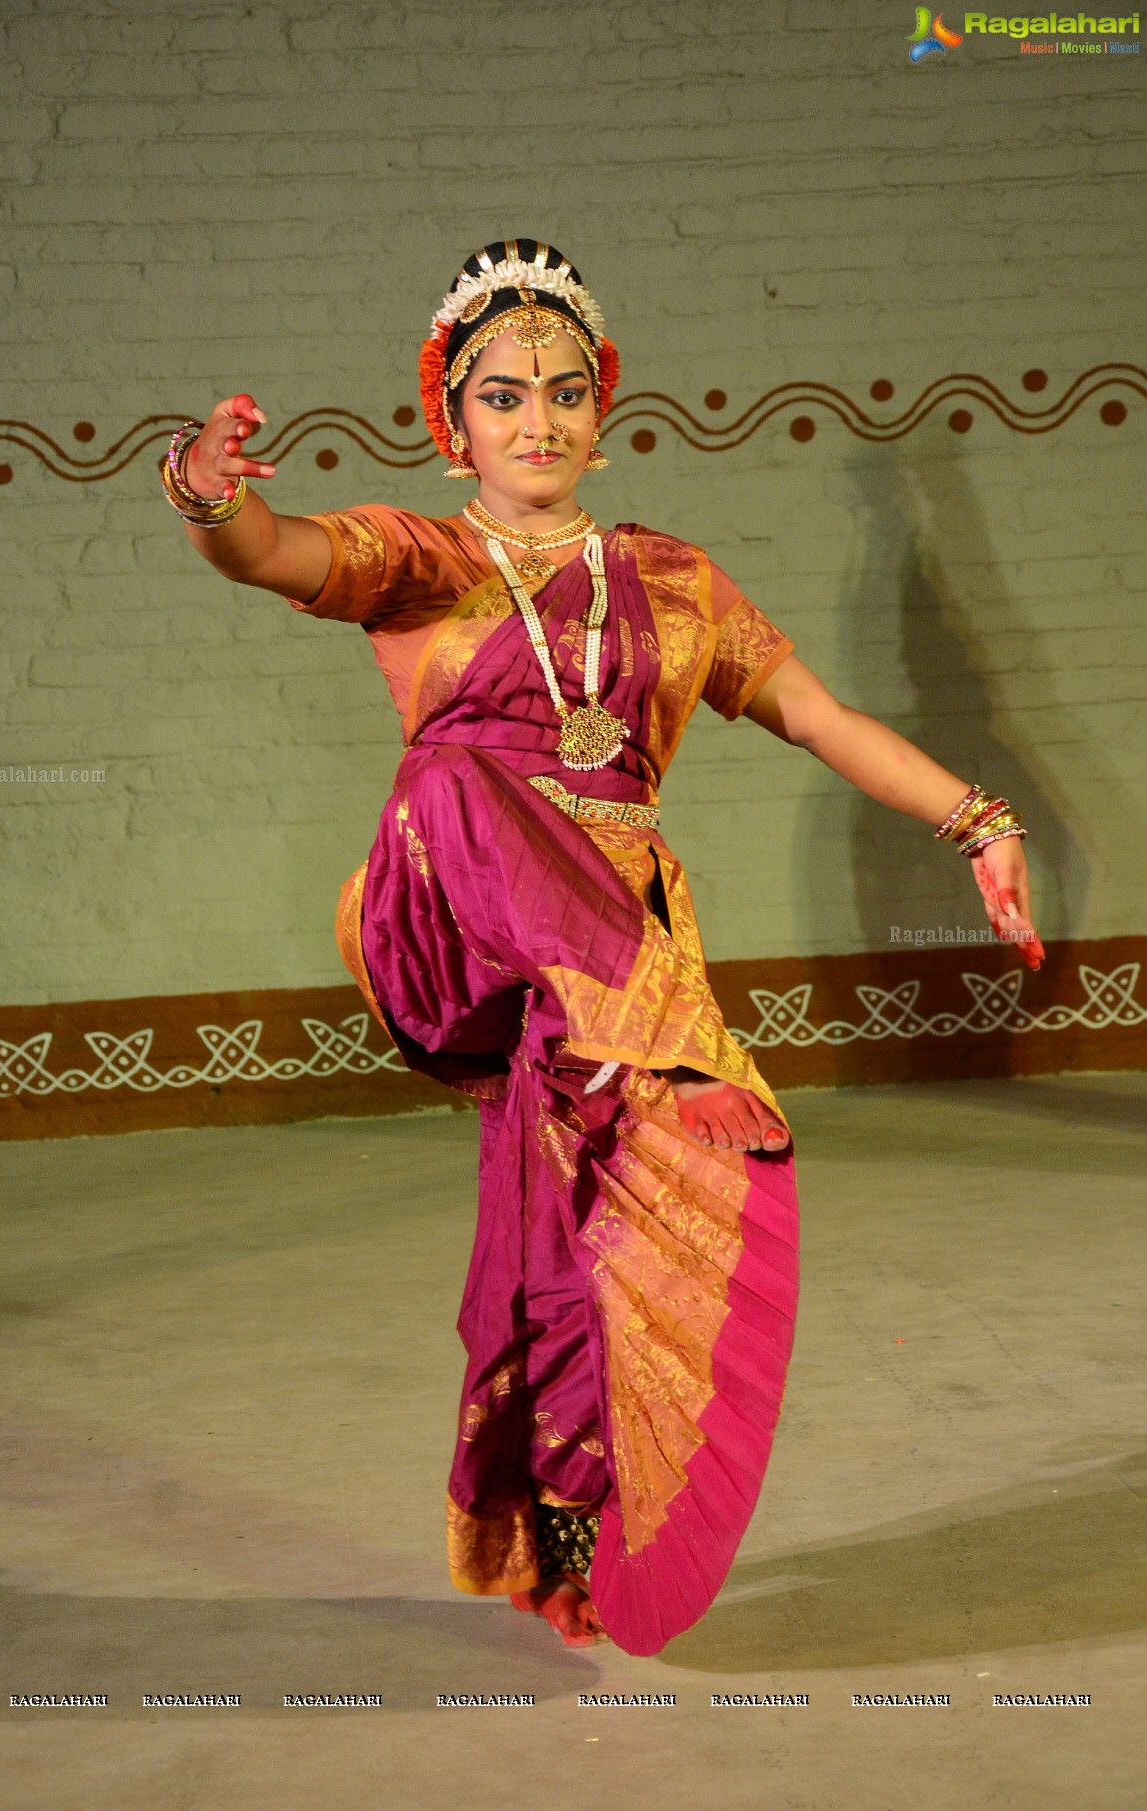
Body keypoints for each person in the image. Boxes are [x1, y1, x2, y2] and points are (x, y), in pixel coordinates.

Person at [165, 238, 1044, 1656]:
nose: (540, 421)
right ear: (456, 423)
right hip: (453, 915)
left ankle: (586, 1510)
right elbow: (275, 553)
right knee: (458, 775)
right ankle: (606, 1030)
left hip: (614, 956)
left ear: (604, 407)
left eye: (566, 392)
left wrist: (977, 818)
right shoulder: (422, 556)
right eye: (504, 395)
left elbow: (818, 717)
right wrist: (207, 500)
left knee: (604, 1223)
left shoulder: (675, 582)